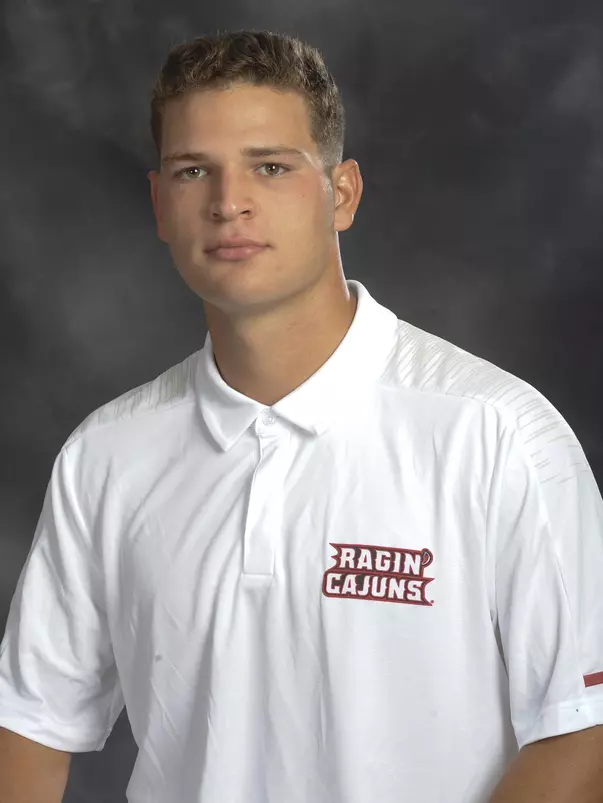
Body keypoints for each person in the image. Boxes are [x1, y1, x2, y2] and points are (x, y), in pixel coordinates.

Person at [1, 28, 602, 803]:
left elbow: (582, 734)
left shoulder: (495, 435)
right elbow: (27, 730)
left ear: (340, 193)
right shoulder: (106, 456)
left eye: (271, 166)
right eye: (193, 171)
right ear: (160, 204)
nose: (228, 203)